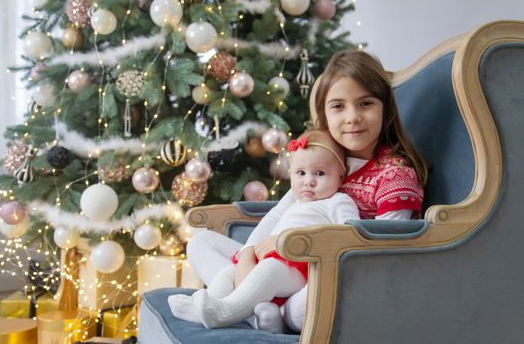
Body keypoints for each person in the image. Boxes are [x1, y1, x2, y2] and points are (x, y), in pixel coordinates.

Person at [185, 49, 427, 333]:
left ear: (385, 109)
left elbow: (378, 250)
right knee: (200, 243)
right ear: (324, 112)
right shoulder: (322, 159)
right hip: (276, 262)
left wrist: (290, 243)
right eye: (338, 106)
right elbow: (279, 213)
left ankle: (265, 310)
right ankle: (255, 307)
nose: (352, 117)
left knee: (307, 305)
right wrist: (248, 257)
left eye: (365, 103)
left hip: (331, 275)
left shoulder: (396, 175)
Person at [168, 130, 360, 330]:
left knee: (270, 269)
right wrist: (247, 253)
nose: (308, 181)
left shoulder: (338, 201)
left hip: (299, 266)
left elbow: (349, 237)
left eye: (319, 173)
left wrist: (292, 241)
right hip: (265, 257)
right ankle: (209, 304)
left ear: (341, 174)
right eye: (300, 173)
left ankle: (224, 312)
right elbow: (273, 217)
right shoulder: (296, 199)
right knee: (229, 271)